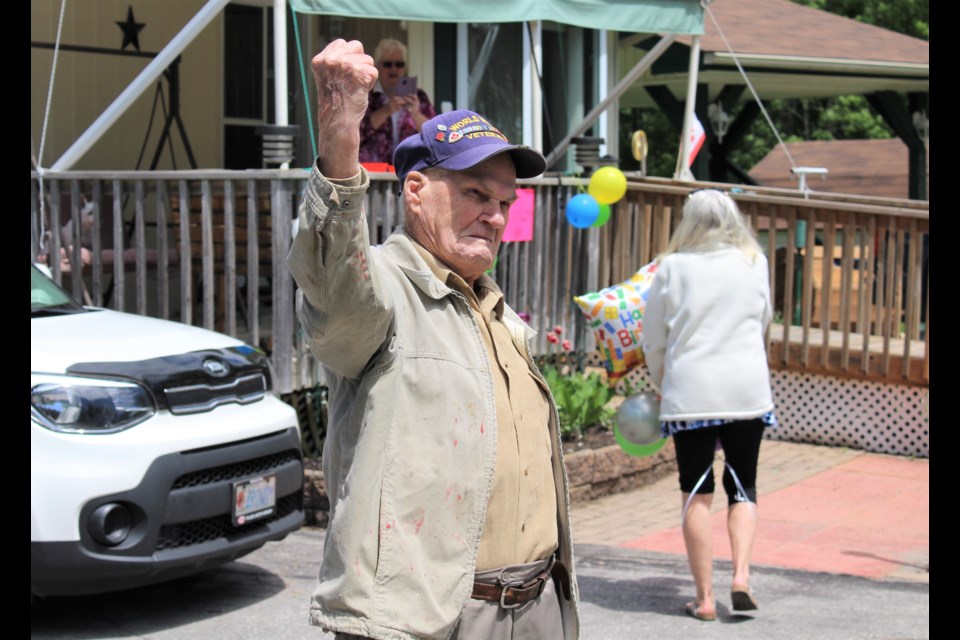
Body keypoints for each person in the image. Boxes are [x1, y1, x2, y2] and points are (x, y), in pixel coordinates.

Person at [287, 39, 580, 640]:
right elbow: (332, 287)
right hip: (427, 620)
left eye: (504, 201)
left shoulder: (495, 310)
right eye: (476, 193)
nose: (495, 215)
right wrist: (342, 137)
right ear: (416, 192)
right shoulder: (385, 287)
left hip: (535, 609)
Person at [641, 188, 777, 622]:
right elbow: (764, 322)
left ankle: (704, 599)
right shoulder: (755, 263)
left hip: (690, 393)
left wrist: (663, 382)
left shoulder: (671, 268)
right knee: (744, 487)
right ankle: (741, 576)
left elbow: (654, 340)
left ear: (689, 222)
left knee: (695, 493)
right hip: (746, 391)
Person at [358, 37, 437, 165]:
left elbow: (435, 135)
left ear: (404, 68)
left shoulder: (419, 97)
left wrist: (416, 114)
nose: (394, 69)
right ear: (378, 66)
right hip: (374, 172)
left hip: (411, 169)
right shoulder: (367, 95)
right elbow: (358, 133)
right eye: (388, 64)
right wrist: (386, 110)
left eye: (399, 64)